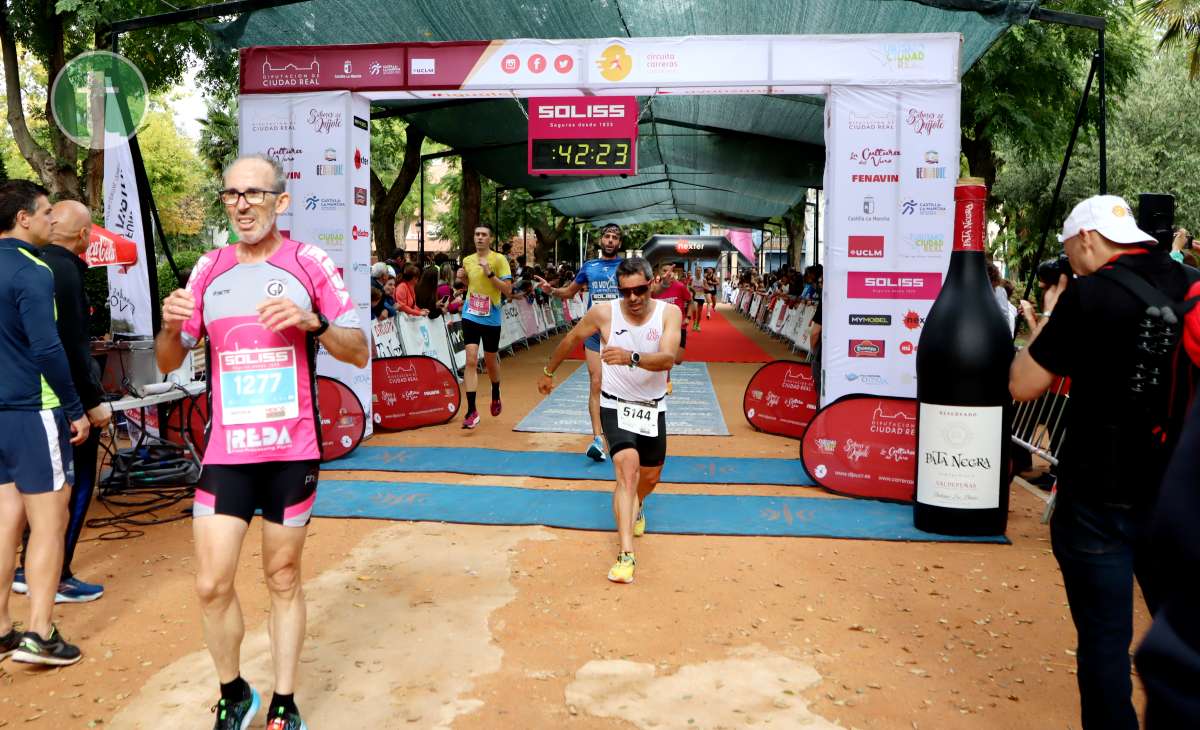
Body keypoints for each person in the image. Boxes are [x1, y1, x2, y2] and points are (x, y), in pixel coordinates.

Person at [155, 154, 368, 730]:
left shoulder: (309, 262)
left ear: (281, 201)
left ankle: (284, 699)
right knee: (210, 582)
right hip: (228, 452)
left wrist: (313, 322)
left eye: (254, 193)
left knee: (283, 577)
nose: (242, 204)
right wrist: (172, 325)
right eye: (231, 194)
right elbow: (169, 358)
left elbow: (359, 350)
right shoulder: (209, 268)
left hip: (291, 450)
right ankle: (233, 690)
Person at [1009, 194, 1191, 730]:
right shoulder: (1190, 283)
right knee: (1186, 633)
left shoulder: (1089, 296)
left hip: (1098, 495)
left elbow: (1023, 385)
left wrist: (1048, 311)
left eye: (1069, 251)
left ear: (1087, 238)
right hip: (1178, 493)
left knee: (1105, 645)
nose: (1070, 262)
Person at [538, 258, 681, 583]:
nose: (633, 298)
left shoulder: (669, 314)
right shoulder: (604, 313)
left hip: (652, 408)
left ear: (651, 283)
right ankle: (626, 555)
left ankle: (639, 503)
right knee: (626, 473)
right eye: (626, 291)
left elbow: (668, 358)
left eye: (640, 290)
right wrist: (548, 372)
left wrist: (630, 357)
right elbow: (572, 339)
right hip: (615, 406)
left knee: (650, 477)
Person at [0, 180, 90, 666]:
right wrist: (75, 407)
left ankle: (1, 629)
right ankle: (39, 632)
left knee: (4, 522)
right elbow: (48, 347)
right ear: (24, 219)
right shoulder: (33, 270)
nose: (52, 218)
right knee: (49, 525)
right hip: (35, 410)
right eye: (46, 211)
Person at [10, 199, 110, 604]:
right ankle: (57, 576)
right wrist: (89, 403)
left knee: (21, 499)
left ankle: (24, 572)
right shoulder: (60, 271)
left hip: (19, 403)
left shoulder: (25, 264)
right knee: (71, 488)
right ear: (84, 236)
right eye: (43, 212)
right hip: (54, 402)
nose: (47, 219)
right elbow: (67, 345)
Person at [535, 223, 624, 461]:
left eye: (615, 237)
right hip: (593, 331)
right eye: (607, 236)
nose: (610, 240)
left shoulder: (626, 266)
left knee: (620, 385)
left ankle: (623, 433)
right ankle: (598, 439)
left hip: (620, 333)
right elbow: (570, 292)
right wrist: (551, 290)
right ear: (601, 240)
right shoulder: (589, 267)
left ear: (619, 244)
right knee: (596, 383)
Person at [460, 224, 513, 429]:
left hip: (491, 316)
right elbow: (470, 284)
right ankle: (471, 410)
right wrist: (463, 279)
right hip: (470, 313)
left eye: (484, 235)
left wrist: (490, 274)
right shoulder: (467, 260)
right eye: (477, 234)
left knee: (490, 360)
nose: (480, 238)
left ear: (490, 239)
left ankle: (495, 392)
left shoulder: (499, 260)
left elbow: (507, 290)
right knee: (471, 359)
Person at [652, 261, 690, 395]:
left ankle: (665, 367)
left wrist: (688, 317)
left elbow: (690, 301)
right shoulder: (655, 289)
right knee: (665, 354)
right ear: (659, 274)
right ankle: (666, 379)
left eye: (669, 270)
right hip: (660, 327)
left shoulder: (680, 287)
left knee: (678, 360)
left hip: (679, 326)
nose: (667, 273)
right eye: (664, 270)